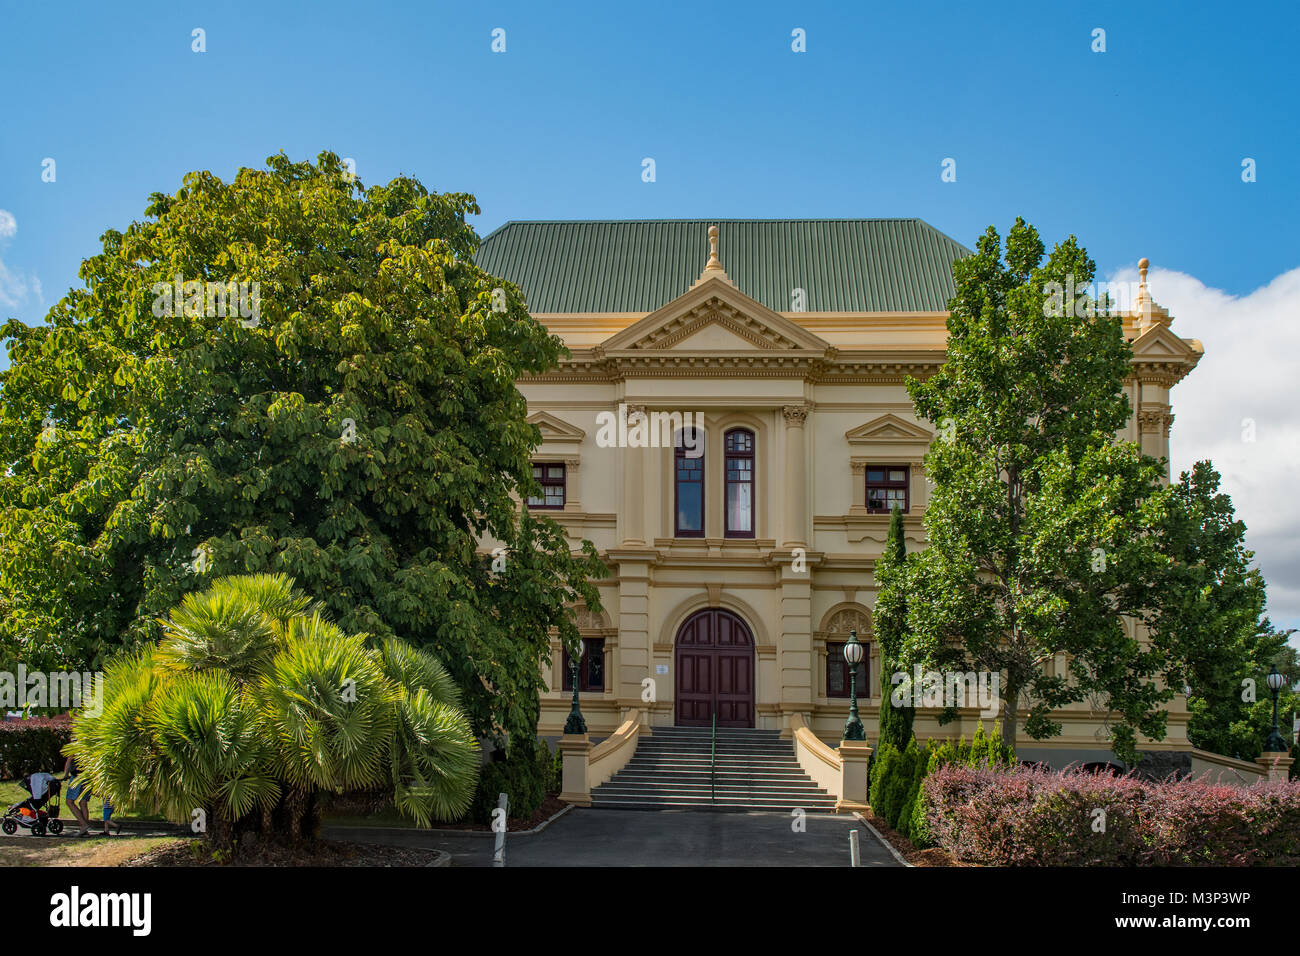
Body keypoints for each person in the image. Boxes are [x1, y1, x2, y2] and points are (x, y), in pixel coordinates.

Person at [62, 755, 93, 836]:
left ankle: (84, 824)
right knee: (83, 803)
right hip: (88, 776)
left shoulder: (75, 745)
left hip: (77, 776)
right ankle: (84, 830)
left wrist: (65, 774)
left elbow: (69, 759)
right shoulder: (87, 745)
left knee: (69, 802)